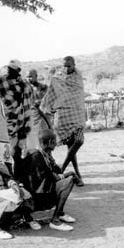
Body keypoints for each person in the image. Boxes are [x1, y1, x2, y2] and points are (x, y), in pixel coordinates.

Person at [20, 129, 78, 231]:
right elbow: (51, 177)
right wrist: (67, 174)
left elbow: (56, 171)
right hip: (35, 196)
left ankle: (59, 213)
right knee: (69, 180)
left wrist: (52, 161)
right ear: (50, 142)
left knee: (69, 178)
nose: (56, 144)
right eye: (55, 141)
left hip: (43, 191)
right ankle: (55, 220)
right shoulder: (36, 156)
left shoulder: (44, 154)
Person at [40, 56, 85, 186]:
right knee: (71, 147)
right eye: (64, 65)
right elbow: (51, 94)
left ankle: (62, 170)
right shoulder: (57, 78)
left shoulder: (78, 77)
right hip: (63, 116)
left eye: (69, 66)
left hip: (76, 114)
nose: (66, 68)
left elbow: (78, 95)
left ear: (74, 65)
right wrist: (47, 107)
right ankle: (78, 175)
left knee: (78, 141)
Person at [0, 59, 33, 177]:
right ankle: (9, 177)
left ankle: (18, 177)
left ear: (18, 70)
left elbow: (28, 103)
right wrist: (11, 101)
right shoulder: (1, 81)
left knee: (18, 153)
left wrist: (25, 126)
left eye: (12, 69)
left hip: (21, 121)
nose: (9, 70)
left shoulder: (25, 84)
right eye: (8, 68)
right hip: (5, 120)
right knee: (6, 152)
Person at [26, 69, 50, 149]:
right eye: (27, 77)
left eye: (31, 76)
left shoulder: (44, 88)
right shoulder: (26, 90)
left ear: (36, 76)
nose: (29, 79)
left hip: (43, 117)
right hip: (31, 119)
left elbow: (48, 101)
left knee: (43, 141)